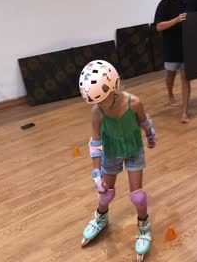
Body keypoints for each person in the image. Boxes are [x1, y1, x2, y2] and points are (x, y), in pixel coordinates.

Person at [79, 60, 157, 261]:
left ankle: (144, 226)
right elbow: (95, 143)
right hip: (112, 151)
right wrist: (97, 176)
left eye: (105, 98)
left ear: (115, 86)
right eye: (98, 100)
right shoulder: (97, 111)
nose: (102, 103)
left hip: (133, 150)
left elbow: (143, 121)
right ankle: (101, 218)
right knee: (105, 193)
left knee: (138, 196)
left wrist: (150, 134)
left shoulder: (134, 102)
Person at [154, 0, 192, 123]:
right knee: (171, 73)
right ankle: (170, 95)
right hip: (171, 47)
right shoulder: (164, 3)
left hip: (187, 46)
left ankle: (184, 112)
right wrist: (176, 20)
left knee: (186, 78)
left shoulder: (189, 1)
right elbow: (159, 26)